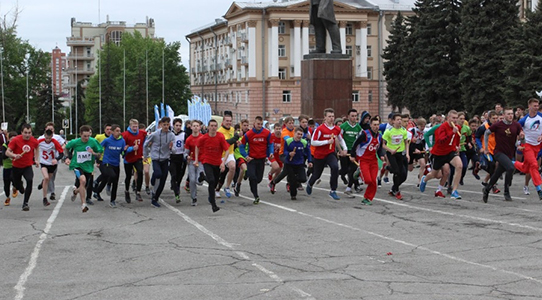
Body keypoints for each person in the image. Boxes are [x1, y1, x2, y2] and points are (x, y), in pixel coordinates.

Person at [482, 108, 523, 202]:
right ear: (503, 115)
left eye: (512, 114)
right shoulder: (498, 125)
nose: (510, 116)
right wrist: (486, 148)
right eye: (508, 114)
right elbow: (486, 133)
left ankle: (487, 189)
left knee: (497, 173)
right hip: (499, 153)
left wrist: (520, 143)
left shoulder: (516, 125)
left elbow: (520, 138)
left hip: (509, 153)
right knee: (511, 168)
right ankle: (506, 192)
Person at [420, 110, 463, 199]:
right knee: (435, 174)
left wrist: (457, 146)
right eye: (453, 118)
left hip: (450, 152)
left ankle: (454, 191)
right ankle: (425, 179)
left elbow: (457, 138)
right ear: (448, 118)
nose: (455, 120)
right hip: (439, 153)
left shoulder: (458, 127)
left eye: (456, 118)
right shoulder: (442, 127)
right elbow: (441, 141)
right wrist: (452, 132)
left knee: (459, 166)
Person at [306, 108, 347, 200]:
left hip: (330, 153)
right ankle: (310, 183)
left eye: (333, 116)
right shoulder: (320, 129)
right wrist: (326, 142)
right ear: (325, 117)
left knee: (335, 167)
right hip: (319, 155)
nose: (331, 118)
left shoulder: (337, 129)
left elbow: (340, 139)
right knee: (317, 175)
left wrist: (345, 149)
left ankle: (333, 190)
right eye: (329, 116)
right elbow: (313, 142)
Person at [351, 116, 390, 205]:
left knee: (373, 181)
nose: (376, 126)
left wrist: (381, 156)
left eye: (378, 124)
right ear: (371, 125)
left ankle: (367, 198)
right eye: (374, 125)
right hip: (363, 159)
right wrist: (353, 155)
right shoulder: (365, 134)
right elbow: (355, 144)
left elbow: (379, 148)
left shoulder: (380, 136)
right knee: (367, 180)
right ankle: (359, 172)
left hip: (373, 160)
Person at [64, 125, 103, 213]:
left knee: (84, 186)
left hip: (88, 167)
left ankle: (75, 191)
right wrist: (66, 158)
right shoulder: (75, 142)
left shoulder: (93, 142)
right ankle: (83, 205)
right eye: (84, 136)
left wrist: (94, 153)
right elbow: (66, 147)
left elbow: (99, 154)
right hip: (77, 165)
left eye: (88, 136)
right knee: (83, 180)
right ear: (80, 134)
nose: (86, 138)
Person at [195, 119, 230, 213]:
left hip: (217, 162)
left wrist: (223, 162)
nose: (213, 127)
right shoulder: (203, 138)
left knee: (213, 184)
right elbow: (197, 147)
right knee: (211, 180)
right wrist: (197, 159)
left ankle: (203, 177)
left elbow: (226, 150)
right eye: (211, 126)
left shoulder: (220, 137)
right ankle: (213, 204)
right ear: (208, 127)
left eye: (215, 126)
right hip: (207, 161)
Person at [94, 124, 130, 208]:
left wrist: (125, 150)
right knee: (111, 175)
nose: (119, 133)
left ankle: (112, 200)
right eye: (117, 131)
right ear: (112, 132)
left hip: (116, 164)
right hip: (107, 162)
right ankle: (105, 184)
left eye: (120, 131)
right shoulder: (107, 140)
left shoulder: (122, 141)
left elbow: (122, 154)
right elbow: (99, 147)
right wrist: (96, 156)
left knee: (115, 183)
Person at [239, 116, 273, 204]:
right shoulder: (249, 134)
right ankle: (256, 196)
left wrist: (271, 153)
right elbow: (241, 146)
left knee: (258, 179)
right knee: (253, 178)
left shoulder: (267, 133)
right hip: (251, 159)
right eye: (258, 124)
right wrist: (246, 156)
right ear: (254, 124)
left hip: (261, 159)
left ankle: (248, 175)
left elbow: (270, 144)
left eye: (261, 124)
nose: (260, 125)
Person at [5, 124, 39, 211]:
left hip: (27, 166)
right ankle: (19, 187)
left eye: (29, 133)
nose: (27, 135)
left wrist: (37, 159)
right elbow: (7, 152)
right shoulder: (16, 140)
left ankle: (25, 203)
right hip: (16, 166)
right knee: (17, 185)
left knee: (29, 180)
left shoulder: (34, 141)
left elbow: (37, 148)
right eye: (25, 133)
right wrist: (14, 155)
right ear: (21, 132)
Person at [144, 117, 175, 208]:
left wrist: (171, 148)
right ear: (161, 125)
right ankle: (153, 180)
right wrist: (146, 155)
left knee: (163, 179)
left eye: (167, 125)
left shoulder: (171, 135)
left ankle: (155, 198)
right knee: (158, 174)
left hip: (165, 159)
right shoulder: (155, 134)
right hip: (156, 158)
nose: (166, 126)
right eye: (164, 125)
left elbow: (174, 150)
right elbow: (146, 144)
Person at [514, 98, 542, 199]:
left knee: (526, 168)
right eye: (534, 106)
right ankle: (539, 189)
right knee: (534, 165)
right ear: (529, 106)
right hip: (528, 146)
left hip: (538, 146)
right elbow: (516, 132)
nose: (536, 107)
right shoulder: (524, 120)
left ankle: (513, 163)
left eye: (537, 105)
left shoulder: (541, 117)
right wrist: (518, 143)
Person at [382, 113, 410, 200]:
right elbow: (383, 145)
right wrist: (390, 150)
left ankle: (393, 188)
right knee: (397, 172)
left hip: (400, 153)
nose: (399, 121)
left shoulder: (403, 130)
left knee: (403, 176)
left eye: (400, 120)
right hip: (391, 153)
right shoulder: (388, 131)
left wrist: (407, 153)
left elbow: (406, 142)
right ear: (393, 121)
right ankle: (397, 191)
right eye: (397, 119)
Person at [38, 122, 66, 201]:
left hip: (54, 160)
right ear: (45, 129)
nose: (50, 130)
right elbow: (34, 146)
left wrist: (59, 148)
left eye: (52, 129)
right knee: (48, 178)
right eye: (48, 129)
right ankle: (51, 193)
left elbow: (64, 145)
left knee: (51, 177)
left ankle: (44, 182)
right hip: (44, 161)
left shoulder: (57, 138)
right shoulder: (40, 139)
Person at [283, 127, 313, 200]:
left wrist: (310, 161)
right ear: (294, 134)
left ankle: (294, 181)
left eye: (301, 134)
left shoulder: (304, 142)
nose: (299, 136)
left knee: (303, 179)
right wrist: (289, 153)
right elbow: (284, 151)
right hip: (290, 163)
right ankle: (293, 195)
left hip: (299, 163)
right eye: (298, 134)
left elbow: (308, 152)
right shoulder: (288, 141)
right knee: (292, 180)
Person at [122, 119, 147, 203]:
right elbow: (123, 148)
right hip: (128, 159)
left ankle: (138, 191)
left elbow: (147, 138)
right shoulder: (125, 135)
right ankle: (126, 191)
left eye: (136, 126)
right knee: (128, 176)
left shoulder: (142, 133)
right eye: (133, 126)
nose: (135, 128)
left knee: (140, 172)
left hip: (138, 157)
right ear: (130, 126)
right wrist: (131, 148)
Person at [339, 109, 362, 197]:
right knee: (345, 169)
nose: (354, 118)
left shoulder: (358, 127)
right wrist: (340, 150)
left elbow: (360, 139)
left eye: (355, 116)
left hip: (353, 151)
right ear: (348, 116)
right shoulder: (343, 126)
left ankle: (350, 187)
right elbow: (339, 138)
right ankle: (356, 184)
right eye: (352, 116)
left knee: (353, 169)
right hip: (345, 151)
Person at [216, 113, 239, 199]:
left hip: (229, 153)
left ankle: (227, 187)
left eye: (230, 121)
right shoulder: (220, 131)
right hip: (220, 155)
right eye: (227, 121)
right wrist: (235, 138)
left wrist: (237, 143)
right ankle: (217, 189)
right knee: (221, 174)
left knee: (233, 167)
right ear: (223, 121)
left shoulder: (232, 130)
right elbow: (226, 142)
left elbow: (232, 143)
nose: (228, 122)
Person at [184, 120, 204, 206]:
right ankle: (194, 198)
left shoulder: (203, 138)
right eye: (194, 126)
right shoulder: (189, 139)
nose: (196, 127)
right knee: (192, 180)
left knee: (198, 180)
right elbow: (185, 152)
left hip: (201, 161)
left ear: (200, 127)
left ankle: (200, 180)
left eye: (197, 126)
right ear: (191, 127)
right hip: (192, 161)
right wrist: (187, 157)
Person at [92, 123, 112, 200]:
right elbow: (93, 146)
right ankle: (96, 181)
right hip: (101, 159)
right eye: (107, 129)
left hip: (110, 160)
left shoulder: (114, 138)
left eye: (110, 129)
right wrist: (96, 159)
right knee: (105, 173)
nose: (109, 131)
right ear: (104, 130)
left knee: (107, 177)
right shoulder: (99, 137)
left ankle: (97, 192)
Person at [169, 118, 186, 203]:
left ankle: (176, 185)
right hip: (172, 157)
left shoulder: (183, 134)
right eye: (177, 125)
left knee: (180, 175)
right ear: (173, 126)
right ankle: (177, 194)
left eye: (180, 125)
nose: (178, 127)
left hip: (181, 156)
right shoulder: (169, 134)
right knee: (174, 175)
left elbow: (186, 145)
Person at [2, 131, 17, 206]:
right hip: (7, 167)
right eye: (12, 139)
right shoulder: (5, 145)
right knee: (6, 184)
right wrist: (10, 154)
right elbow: (3, 156)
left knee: (14, 178)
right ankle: (7, 197)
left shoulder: (18, 146)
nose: (13, 141)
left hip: (15, 166)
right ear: (8, 139)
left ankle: (15, 187)